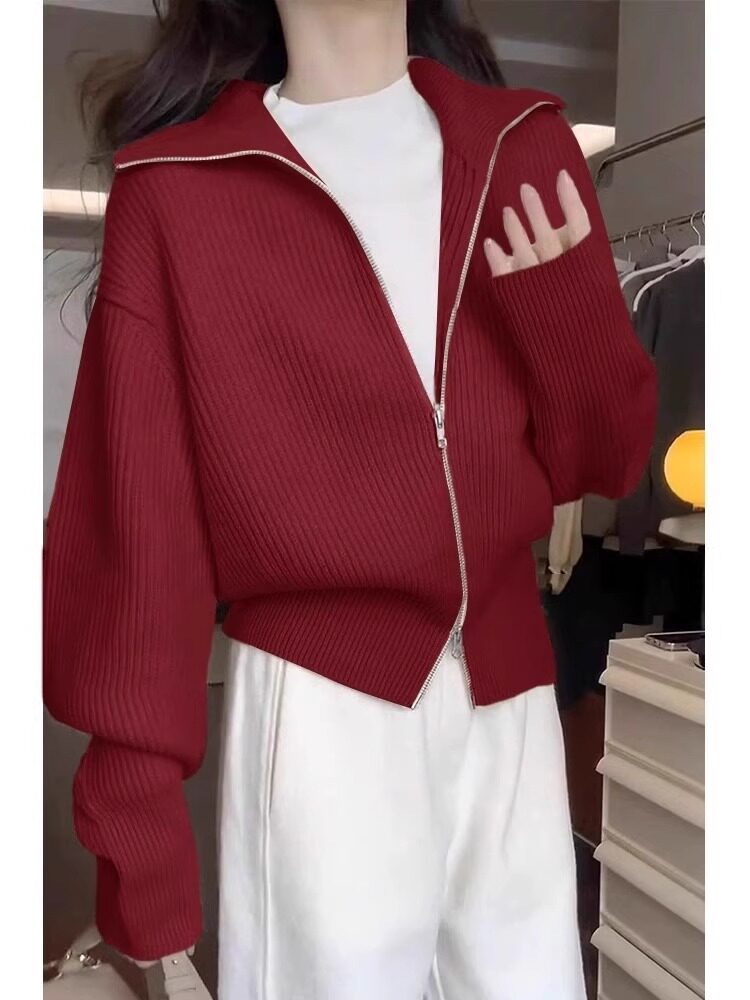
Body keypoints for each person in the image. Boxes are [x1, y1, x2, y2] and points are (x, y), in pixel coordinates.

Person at [43, 1, 657, 997]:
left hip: (509, 693)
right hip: (322, 708)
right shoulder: (181, 189)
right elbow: (136, 530)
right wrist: (137, 826)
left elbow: (608, 459)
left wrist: (564, 312)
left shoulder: (523, 146)